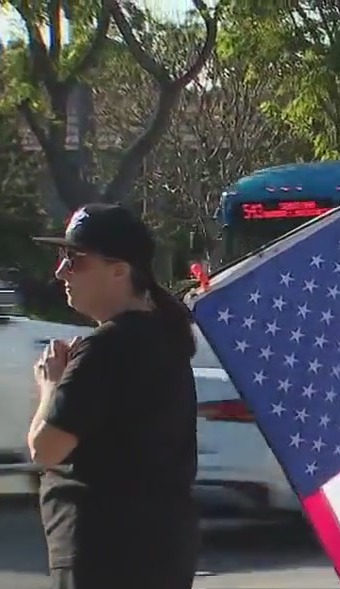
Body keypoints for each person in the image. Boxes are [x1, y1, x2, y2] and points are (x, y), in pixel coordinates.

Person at [27, 204, 200, 589]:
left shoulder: (107, 348)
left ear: (120, 269)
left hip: (104, 554)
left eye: (75, 260)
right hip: (161, 549)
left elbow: (46, 448)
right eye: (61, 257)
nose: (61, 272)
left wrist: (51, 386)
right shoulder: (166, 339)